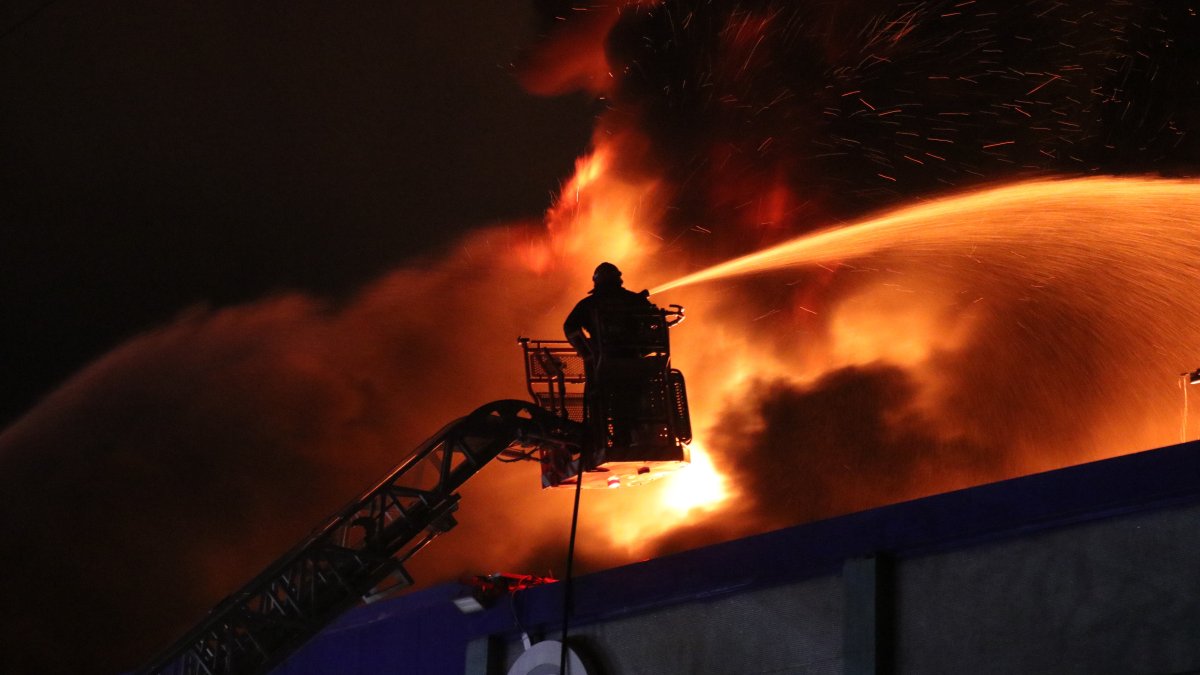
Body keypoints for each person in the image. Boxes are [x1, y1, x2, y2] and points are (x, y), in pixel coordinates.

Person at [562, 262, 654, 363]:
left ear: (596, 281)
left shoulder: (588, 304)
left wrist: (585, 350)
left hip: (601, 361)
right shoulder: (635, 299)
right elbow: (654, 320)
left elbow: (569, 326)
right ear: (618, 279)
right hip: (633, 358)